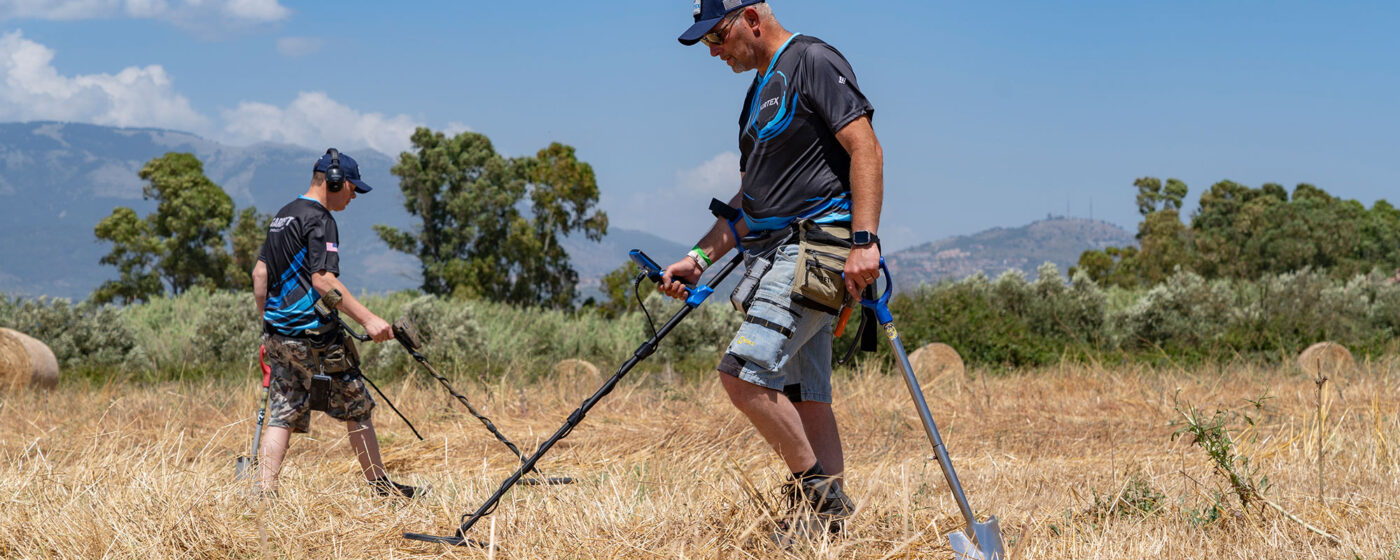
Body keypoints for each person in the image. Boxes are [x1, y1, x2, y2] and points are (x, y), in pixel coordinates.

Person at [668, 0, 884, 538]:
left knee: (742, 373)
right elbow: (749, 202)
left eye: (717, 37)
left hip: (816, 249)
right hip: (773, 254)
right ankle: (827, 533)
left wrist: (864, 241)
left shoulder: (812, 60)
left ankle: (824, 503)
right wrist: (698, 259)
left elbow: (866, 148)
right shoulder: (754, 96)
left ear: (751, 19)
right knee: (806, 395)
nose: (713, 52)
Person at [250, 148, 425, 499]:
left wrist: (271, 323)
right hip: (315, 338)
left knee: (283, 413)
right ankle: (380, 488)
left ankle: (263, 493)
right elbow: (323, 281)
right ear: (335, 182)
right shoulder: (320, 219)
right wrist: (369, 320)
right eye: (353, 188)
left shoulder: (283, 216)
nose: (354, 196)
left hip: (278, 335)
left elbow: (259, 275)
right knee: (356, 406)